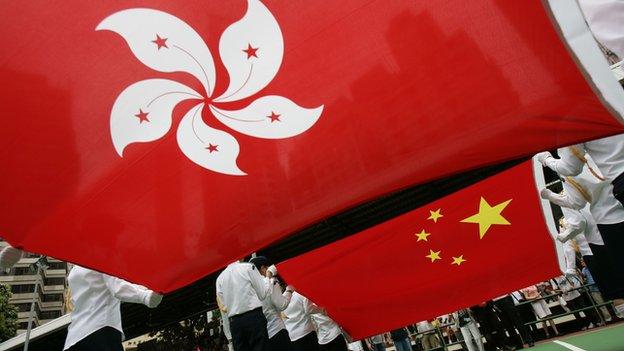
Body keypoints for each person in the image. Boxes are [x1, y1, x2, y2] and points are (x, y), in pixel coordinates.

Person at [63, 266, 163, 351]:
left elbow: (74, 302)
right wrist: (147, 296)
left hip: (74, 338)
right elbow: (118, 288)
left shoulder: (75, 269)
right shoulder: (101, 258)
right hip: (100, 329)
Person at [216, 260, 274, 351]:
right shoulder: (248, 267)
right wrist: (268, 277)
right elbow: (263, 294)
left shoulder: (220, 279)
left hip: (235, 322)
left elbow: (223, 307)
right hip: (253, 317)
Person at [249, 256, 294, 351]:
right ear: (262, 268)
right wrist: (289, 291)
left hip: (263, 337)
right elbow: (282, 305)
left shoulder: (250, 288)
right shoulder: (271, 282)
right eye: (267, 267)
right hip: (277, 330)